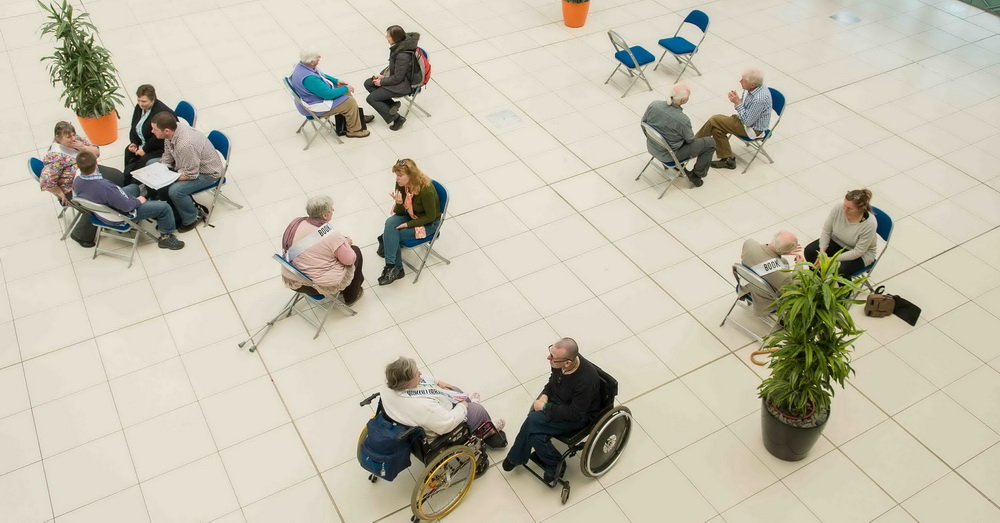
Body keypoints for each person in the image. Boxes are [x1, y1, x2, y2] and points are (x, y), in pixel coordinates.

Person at [502, 338, 601, 483]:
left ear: (568, 362)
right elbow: (552, 382)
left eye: (553, 357)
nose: (548, 357)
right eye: (550, 352)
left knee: (533, 420)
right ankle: (555, 464)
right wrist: (545, 395)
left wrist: (544, 407)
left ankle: (517, 457)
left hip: (579, 416)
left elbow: (575, 414)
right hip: (560, 402)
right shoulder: (560, 363)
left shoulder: (585, 380)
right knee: (535, 435)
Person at [71, 151, 185, 250]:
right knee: (164, 208)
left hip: (102, 211)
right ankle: (167, 237)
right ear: (96, 163)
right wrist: (139, 201)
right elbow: (127, 207)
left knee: (134, 188)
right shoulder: (106, 187)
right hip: (119, 214)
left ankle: (149, 201)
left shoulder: (77, 181)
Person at [38, 121, 125, 248]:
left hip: (90, 173)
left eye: (73, 134)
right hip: (74, 188)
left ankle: (119, 211)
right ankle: (81, 235)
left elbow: (96, 152)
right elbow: (46, 181)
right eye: (68, 137)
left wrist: (82, 148)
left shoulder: (76, 140)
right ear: (58, 137)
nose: (73, 138)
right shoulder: (56, 157)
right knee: (98, 203)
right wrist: (59, 192)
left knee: (118, 177)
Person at [380, 356, 505, 443]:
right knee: (477, 409)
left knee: (452, 389)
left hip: (418, 416)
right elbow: (448, 423)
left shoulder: (389, 385)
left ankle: (468, 403)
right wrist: (462, 406)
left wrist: (438, 382)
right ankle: (487, 430)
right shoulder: (422, 407)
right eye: (415, 374)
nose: (420, 373)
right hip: (442, 431)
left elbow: (421, 378)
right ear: (407, 383)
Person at [280, 196, 365, 305]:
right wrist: (346, 244)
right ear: (325, 215)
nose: (333, 211)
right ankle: (352, 296)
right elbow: (349, 260)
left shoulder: (296, 223)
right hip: (314, 285)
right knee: (355, 251)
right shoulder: (331, 235)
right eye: (331, 209)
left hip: (293, 277)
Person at [150, 112, 222, 233]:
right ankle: (172, 209)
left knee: (175, 190)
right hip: (185, 164)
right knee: (151, 164)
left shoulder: (185, 144)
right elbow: (167, 155)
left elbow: (191, 174)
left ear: (166, 130)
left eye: (155, 129)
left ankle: (192, 218)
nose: (152, 131)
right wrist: (162, 168)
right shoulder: (172, 132)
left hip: (207, 174)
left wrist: (168, 178)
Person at [376, 159, 440, 286]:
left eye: (400, 176)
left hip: (429, 223)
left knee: (394, 235)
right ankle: (391, 266)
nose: (397, 178)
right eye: (396, 175)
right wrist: (399, 203)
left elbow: (431, 217)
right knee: (390, 223)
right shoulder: (401, 184)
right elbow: (400, 212)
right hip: (411, 214)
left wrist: (408, 225)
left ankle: (397, 269)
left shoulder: (426, 190)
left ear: (411, 175)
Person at [695, 68, 772, 170]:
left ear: (753, 85)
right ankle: (728, 160)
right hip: (744, 120)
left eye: (743, 81)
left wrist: (737, 103)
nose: (740, 82)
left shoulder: (759, 99)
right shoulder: (753, 89)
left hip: (752, 129)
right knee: (716, 128)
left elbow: (748, 121)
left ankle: (693, 146)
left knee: (714, 120)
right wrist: (738, 100)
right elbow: (747, 107)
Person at [641, 84, 716, 188]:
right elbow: (690, 140)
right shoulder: (682, 120)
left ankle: (680, 167)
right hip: (669, 155)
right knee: (710, 143)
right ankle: (697, 175)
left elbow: (643, 123)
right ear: (683, 101)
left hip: (652, 147)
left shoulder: (654, 105)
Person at [290, 50, 373, 138]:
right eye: (317, 57)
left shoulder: (302, 65)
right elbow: (328, 94)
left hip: (310, 98)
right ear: (311, 61)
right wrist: (346, 88)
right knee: (349, 102)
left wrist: (336, 81)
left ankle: (357, 118)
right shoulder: (309, 78)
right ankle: (353, 130)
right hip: (314, 106)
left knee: (343, 91)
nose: (319, 58)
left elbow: (321, 75)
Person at [804, 189, 878, 278]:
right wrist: (822, 252)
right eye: (844, 206)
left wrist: (831, 259)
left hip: (859, 253)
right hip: (837, 241)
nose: (845, 211)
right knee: (810, 251)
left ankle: (845, 291)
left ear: (860, 209)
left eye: (850, 209)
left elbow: (858, 251)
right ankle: (817, 279)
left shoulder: (870, 224)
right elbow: (827, 230)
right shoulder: (838, 208)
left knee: (840, 270)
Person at [364, 25, 420, 131]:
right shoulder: (400, 46)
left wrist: (382, 82)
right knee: (368, 83)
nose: (386, 37)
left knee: (371, 98)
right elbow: (395, 68)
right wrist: (384, 75)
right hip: (399, 79)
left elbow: (397, 78)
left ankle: (397, 119)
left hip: (403, 85)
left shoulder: (402, 55)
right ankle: (391, 105)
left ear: (395, 37)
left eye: (388, 36)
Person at [741, 230, 802, 315]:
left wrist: (779, 251)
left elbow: (762, 255)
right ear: (788, 252)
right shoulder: (783, 275)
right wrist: (799, 264)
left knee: (783, 261)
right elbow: (796, 285)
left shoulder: (749, 244)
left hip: (745, 286)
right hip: (763, 300)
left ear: (774, 237)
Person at [123, 84, 174, 183]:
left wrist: (145, 149)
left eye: (144, 101)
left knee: (142, 162)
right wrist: (134, 142)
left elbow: (160, 137)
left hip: (158, 147)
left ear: (153, 99)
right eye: (138, 100)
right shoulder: (139, 108)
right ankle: (126, 178)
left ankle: (135, 184)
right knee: (128, 151)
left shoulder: (162, 113)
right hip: (143, 142)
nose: (140, 104)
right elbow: (134, 126)